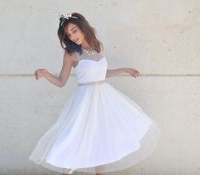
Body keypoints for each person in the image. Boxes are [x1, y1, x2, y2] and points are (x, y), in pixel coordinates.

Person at [28, 12, 161, 175]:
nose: (72, 37)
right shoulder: (71, 53)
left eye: (74, 31)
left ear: (82, 27)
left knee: (102, 138)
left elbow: (100, 74)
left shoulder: (97, 45)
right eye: (68, 35)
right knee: (75, 138)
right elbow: (61, 82)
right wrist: (45, 73)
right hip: (85, 100)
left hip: (104, 97)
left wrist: (125, 70)